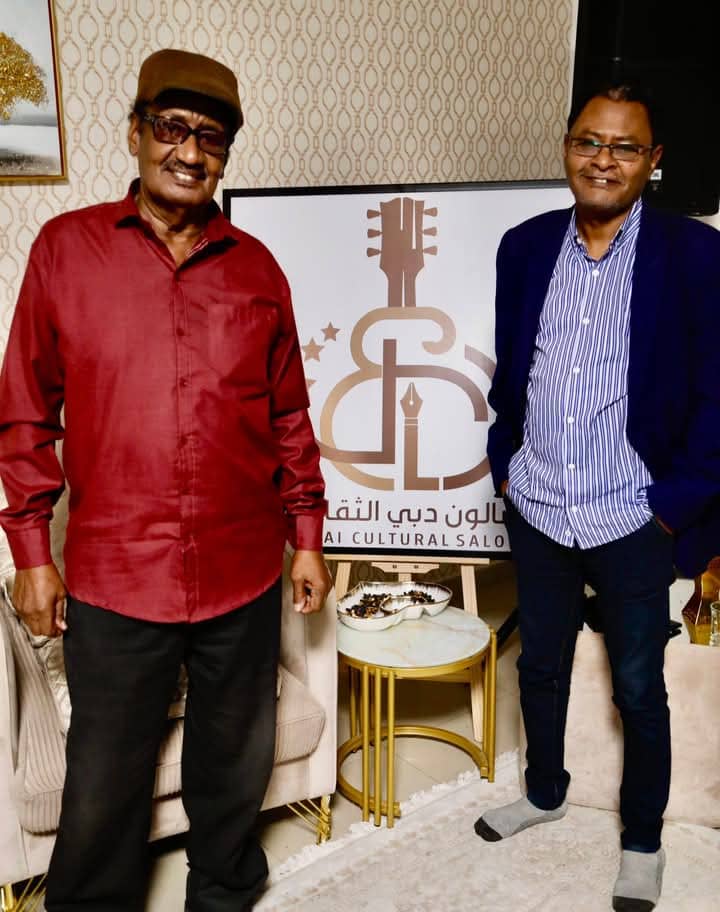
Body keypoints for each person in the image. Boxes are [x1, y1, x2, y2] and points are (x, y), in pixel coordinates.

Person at [0, 49, 331, 912]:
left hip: (241, 569)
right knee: (104, 776)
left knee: (235, 759)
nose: (189, 151)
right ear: (136, 133)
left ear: (225, 155)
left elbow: (289, 416)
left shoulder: (258, 270)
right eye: (171, 128)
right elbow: (25, 413)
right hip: (117, 575)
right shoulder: (65, 251)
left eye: (210, 138)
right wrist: (31, 552)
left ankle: (222, 892)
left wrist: (306, 535)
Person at [476, 83, 720, 911]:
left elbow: (717, 395)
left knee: (639, 689)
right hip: (540, 502)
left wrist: (672, 504)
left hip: (632, 512)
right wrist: (505, 463)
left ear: (654, 161)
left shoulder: (695, 254)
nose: (603, 159)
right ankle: (545, 792)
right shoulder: (523, 246)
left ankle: (643, 840)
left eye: (624, 146)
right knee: (538, 664)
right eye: (589, 141)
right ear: (567, 147)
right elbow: (515, 370)